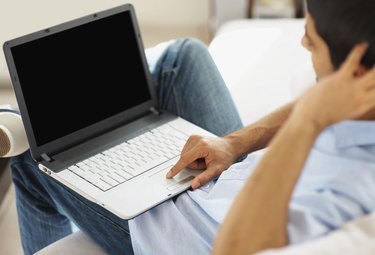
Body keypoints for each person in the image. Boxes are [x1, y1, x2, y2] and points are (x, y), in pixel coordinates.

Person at [6, 0, 375, 254]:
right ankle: (118, 123)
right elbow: (314, 96)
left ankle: (40, 119)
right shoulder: (357, 93)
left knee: (32, 154)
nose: (302, 41)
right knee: (182, 57)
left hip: (182, 231)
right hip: (225, 175)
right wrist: (232, 144)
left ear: (356, 72)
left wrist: (308, 123)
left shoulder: (354, 188)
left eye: (313, 42)